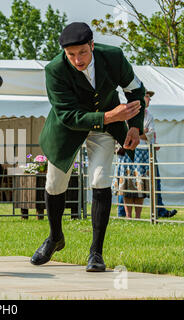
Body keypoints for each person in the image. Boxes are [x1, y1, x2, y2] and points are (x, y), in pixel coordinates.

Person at [30, 22, 146, 272]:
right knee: (54, 184)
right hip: (67, 129)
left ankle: (96, 252)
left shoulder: (113, 56)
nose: (77, 60)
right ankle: (55, 237)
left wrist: (135, 126)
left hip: (106, 126)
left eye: (82, 52)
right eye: (71, 55)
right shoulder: (54, 69)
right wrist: (109, 116)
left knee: (100, 178)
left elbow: (135, 89)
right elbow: (68, 116)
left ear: (92, 45)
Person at [116, 90, 177, 218]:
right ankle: (124, 215)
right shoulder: (129, 113)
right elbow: (125, 132)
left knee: (140, 186)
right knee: (127, 185)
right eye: (147, 96)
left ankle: (139, 216)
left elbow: (150, 134)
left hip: (144, 154)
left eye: (149, 97)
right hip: (129, 152)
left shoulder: (149, 116)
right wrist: (141, 132)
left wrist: (136, 133)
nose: (149, 99)